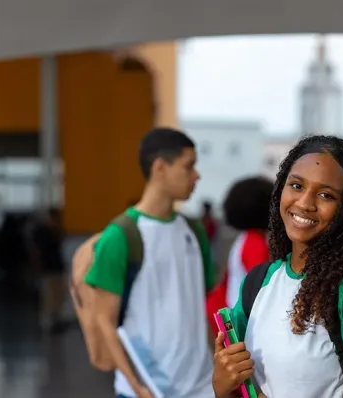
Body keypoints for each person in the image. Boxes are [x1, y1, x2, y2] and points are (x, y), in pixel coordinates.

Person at [212, 135, 343, 398]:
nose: (304, 203)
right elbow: (242, 389)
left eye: (326, 194)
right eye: (297, 185)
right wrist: (222, 385)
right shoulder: (258, 282)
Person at [80, 128, 217, 398]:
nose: (196, 175)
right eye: (188, 166)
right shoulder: (121, 235)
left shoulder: (194, 230)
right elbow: (104, 321)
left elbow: (202, 308)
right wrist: (137, 386)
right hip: (149, 389)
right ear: (159, 167)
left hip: (202, 388)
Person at [205, 176, 273, 335]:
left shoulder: (245, 238)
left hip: (229, 318)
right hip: (238, 324)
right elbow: (263, 290)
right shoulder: (255, 243)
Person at [31, 208, 68, 333]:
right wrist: (38, 266)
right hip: (47, 267)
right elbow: (36, 250)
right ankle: (47, 321)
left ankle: (56, 319)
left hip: (57, 266)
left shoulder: (56, 230)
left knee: (59, 293)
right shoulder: (40, 231)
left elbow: (62, 240)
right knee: (48, 294)